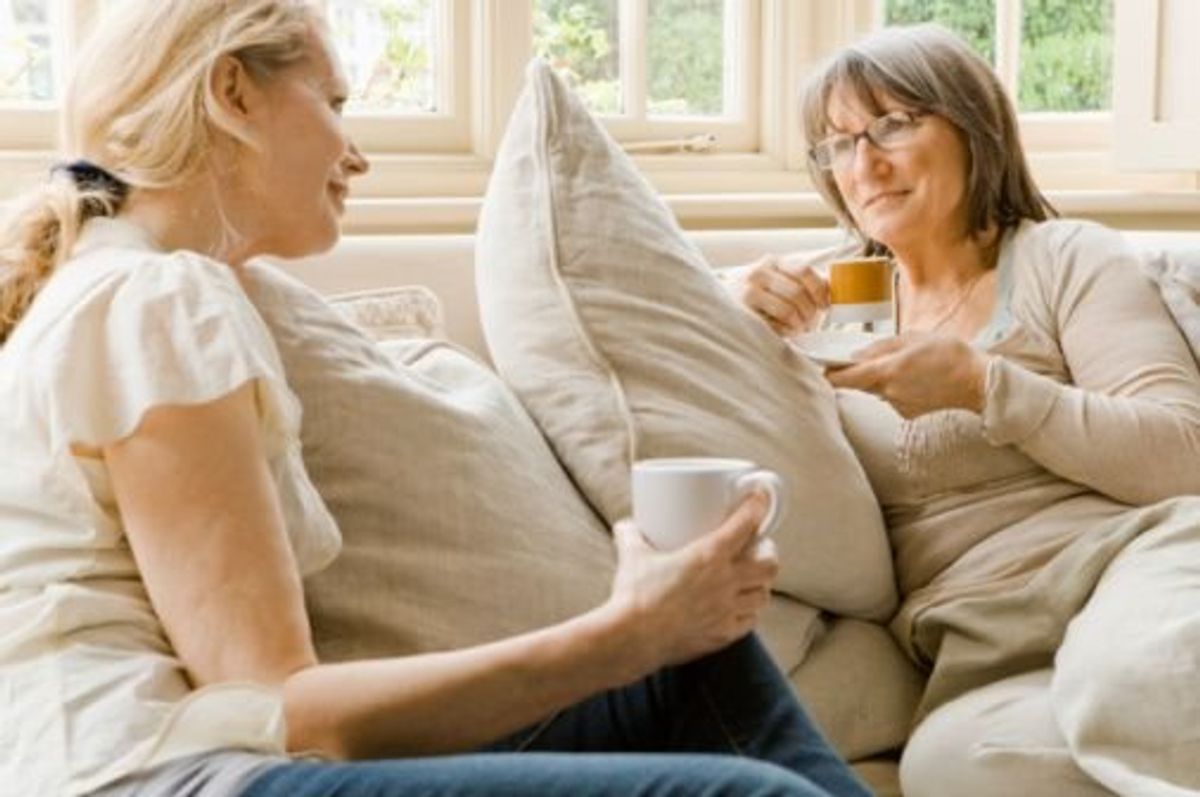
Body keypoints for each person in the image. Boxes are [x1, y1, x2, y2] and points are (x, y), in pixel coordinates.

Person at [0, 2, 872, 796]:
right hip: (139, 776)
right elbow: (276, 701)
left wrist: (661, 634)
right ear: (232, 90)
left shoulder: (133, 288)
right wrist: (626, 632)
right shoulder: (154, 301)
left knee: (699, 663)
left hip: (199, 762)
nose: (357, 151)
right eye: (334, 102)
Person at [734, 22, 1200, 797]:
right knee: (955, 766)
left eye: (892, 124)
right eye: (839, 143)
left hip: (1131, 562)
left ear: (973, 125)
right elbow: (660, 320)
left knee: (1125, 684)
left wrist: (986, 386)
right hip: (979, 635)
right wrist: (734, 302)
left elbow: (1183, 453)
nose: (866, 163)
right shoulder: (837, 298)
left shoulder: (1063, 257)